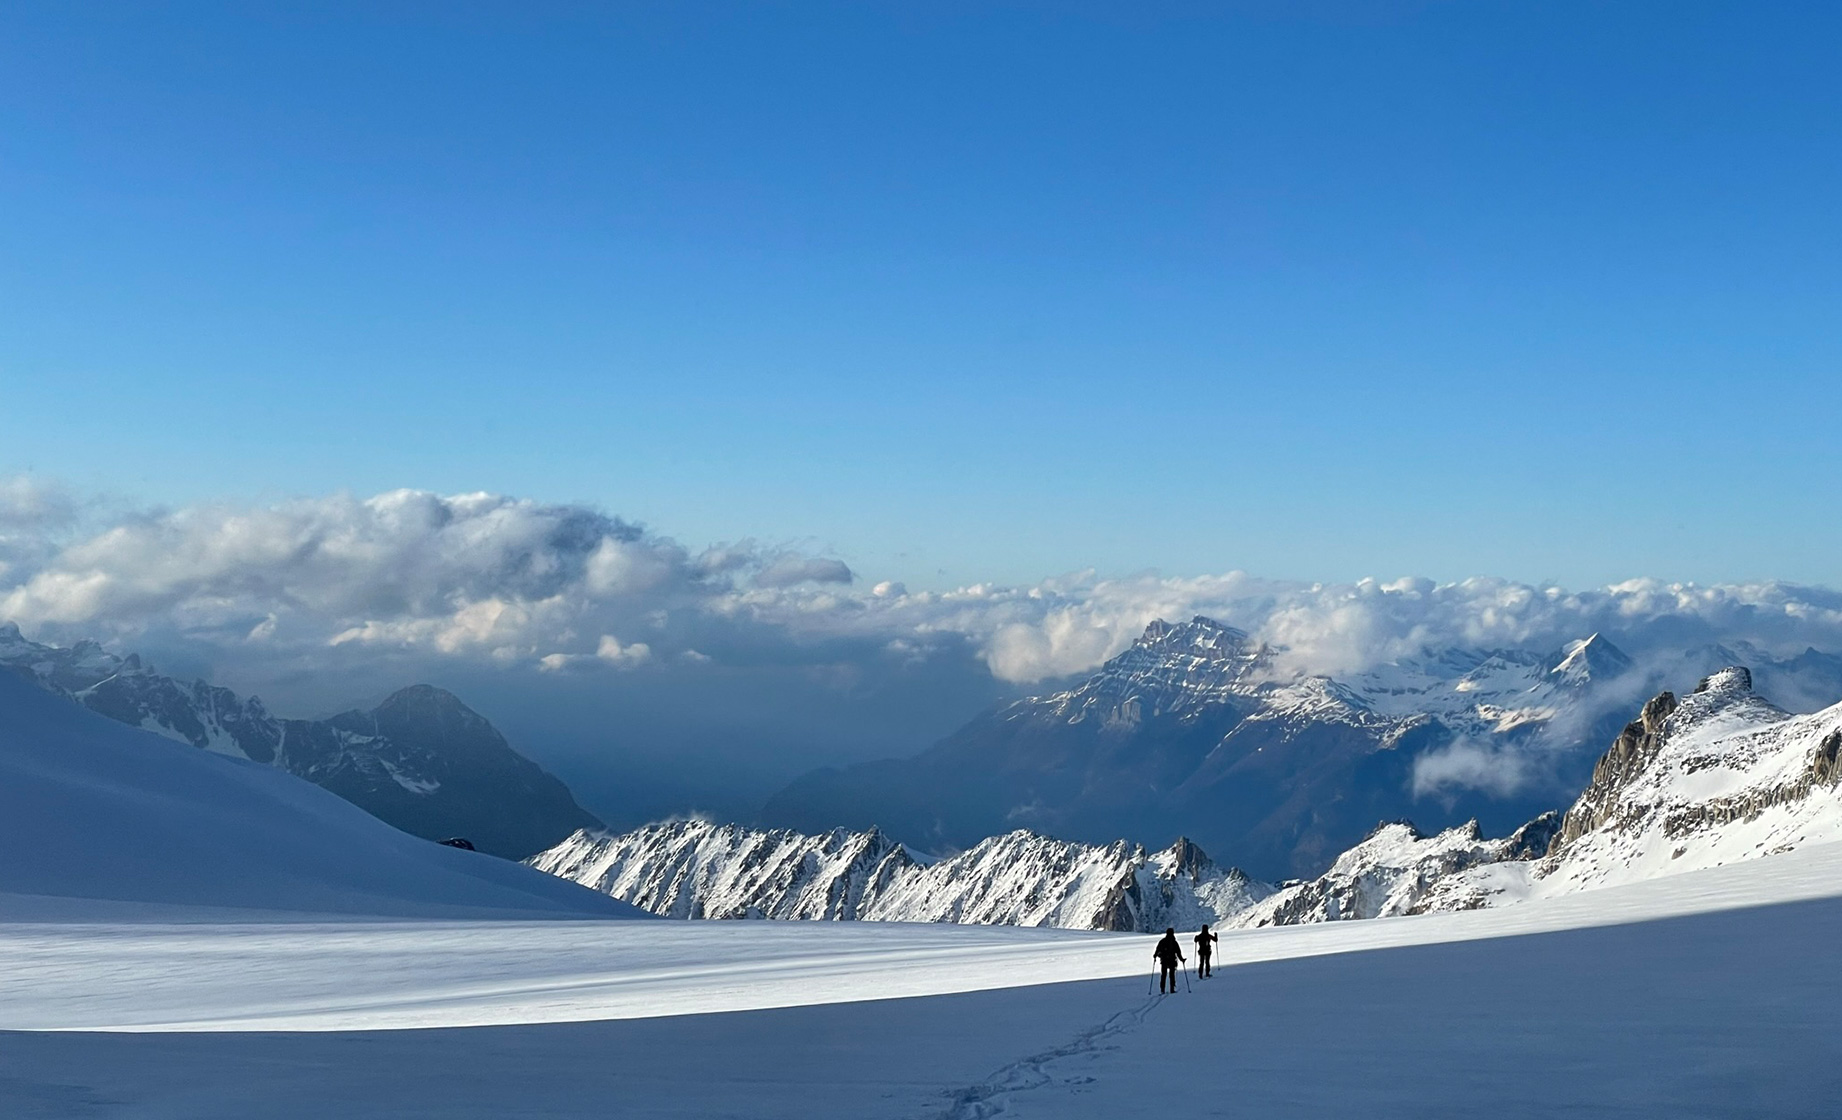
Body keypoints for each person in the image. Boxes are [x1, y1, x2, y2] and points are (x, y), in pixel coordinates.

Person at [1153, 927, 1185, 993]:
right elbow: (1178, 952)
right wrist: (1182, 959)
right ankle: (1172, 989)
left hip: (1164, 960)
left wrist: (1155, 955)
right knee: (1172, 975)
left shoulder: (1162, 941)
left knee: (1163, 975)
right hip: (1172, 961)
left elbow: (1157, 949)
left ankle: (1162, 989)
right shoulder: (1174, 942)